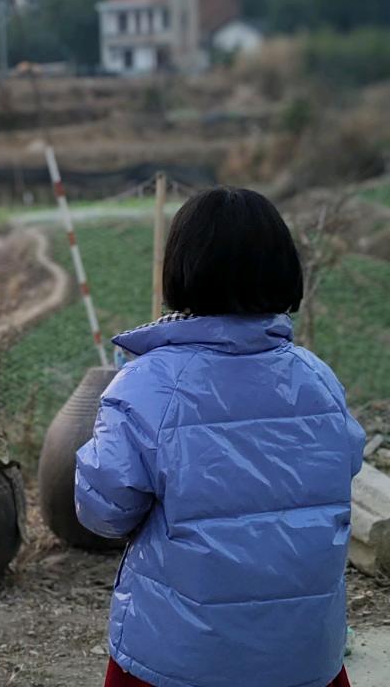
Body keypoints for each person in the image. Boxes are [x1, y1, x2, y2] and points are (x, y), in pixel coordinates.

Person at [75, 187, 365, 687]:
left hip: (177, 658)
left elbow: (103, 511)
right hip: (303, 655)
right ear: (282, 268)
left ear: (181, 268)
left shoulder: (146, 385)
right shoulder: (318, 379)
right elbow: (342, 471)